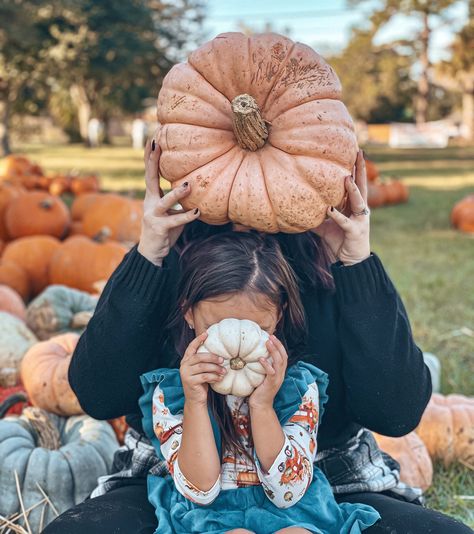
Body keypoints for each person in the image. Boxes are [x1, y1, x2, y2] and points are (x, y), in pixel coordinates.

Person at [44, 143, 473, 533]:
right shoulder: (171, 262)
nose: (250, 168)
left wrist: (355, 259)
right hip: (176, 482)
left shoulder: (331, 261)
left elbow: (395, 412)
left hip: (325, 477)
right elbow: (97, 395)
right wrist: (150, 250)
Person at [138, 231, 381, 533]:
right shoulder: (174, 394)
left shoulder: (298, 388)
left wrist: (263, 406)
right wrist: (196, 402)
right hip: (211, 517)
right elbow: (200, 490)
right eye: (218, 328)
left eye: (257, 329)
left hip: (292, 512)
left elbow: (287, 491)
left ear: (278, 317)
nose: (238, 345)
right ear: (188, 312)